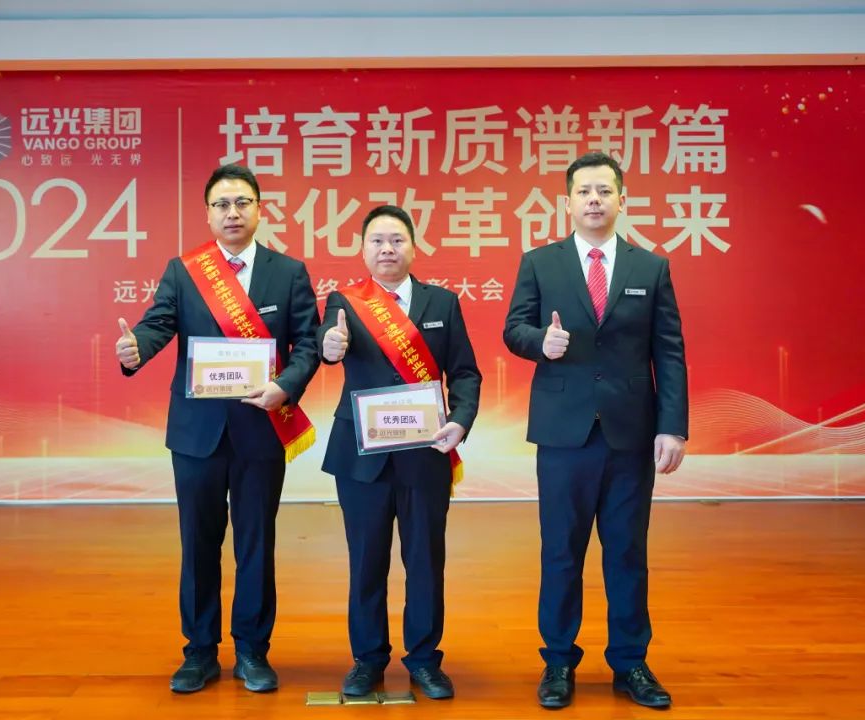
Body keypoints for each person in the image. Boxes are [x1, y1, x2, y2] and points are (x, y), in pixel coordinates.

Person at [115, 164, 320, 695]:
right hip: (197, 435)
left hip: (260, 428)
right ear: (208, 213)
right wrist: (137, 348)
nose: (233, 213)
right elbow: (158, 324)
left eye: (243, 203)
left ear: (260, 210)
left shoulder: (288, 272)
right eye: (222, 204)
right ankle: (199, 651)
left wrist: (286, 386)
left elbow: (309, 342)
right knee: (198, 544)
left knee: (256, 543)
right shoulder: (185, 272)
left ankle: (252, 650)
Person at [502, 152, 687, 709]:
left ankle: (630, 663)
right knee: (561, 551)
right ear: (568, 201)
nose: (594, 200)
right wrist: (541, 342)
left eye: (604, 191)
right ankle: (559, 660)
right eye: (584, 191)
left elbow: (668, 352)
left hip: (630, 434)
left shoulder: (650, 268)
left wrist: (672, 427)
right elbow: (514, 329)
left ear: (621, 200)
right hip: (565, 434)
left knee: (627, 552)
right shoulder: (541, 263)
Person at [318, 205, 481, 700]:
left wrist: (460, 420)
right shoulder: (345, 302)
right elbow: (326, 346)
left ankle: (425, 660)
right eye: (377, 241)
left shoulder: (442, 302)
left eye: (396, 240)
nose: (387, 249)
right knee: (366, 561)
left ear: (413, 247)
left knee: (425, 560)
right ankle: (367, 660)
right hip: (362, 457)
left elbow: (465, 372)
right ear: (362, 249)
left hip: (425, 453)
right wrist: (330, 347)